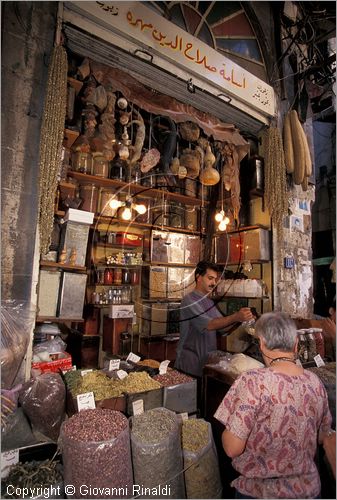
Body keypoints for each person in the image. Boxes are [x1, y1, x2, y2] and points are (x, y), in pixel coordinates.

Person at [214, 311, 332, 499]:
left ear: (261, 343)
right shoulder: (315, 382)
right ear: (295, 344)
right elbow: (321, 436)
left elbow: (232, 448)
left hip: (259, 492)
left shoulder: (252, 381)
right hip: (308, 490)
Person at [175, 260, 254, 378]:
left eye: (215, 279)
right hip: (190, 364)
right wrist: (235, 316)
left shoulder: (209, 302)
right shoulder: (189, 300)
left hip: (206, 362)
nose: (213, 283)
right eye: (210, 278)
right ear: (199, 277)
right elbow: (210, 325)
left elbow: (222, 328)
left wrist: (241, 319)